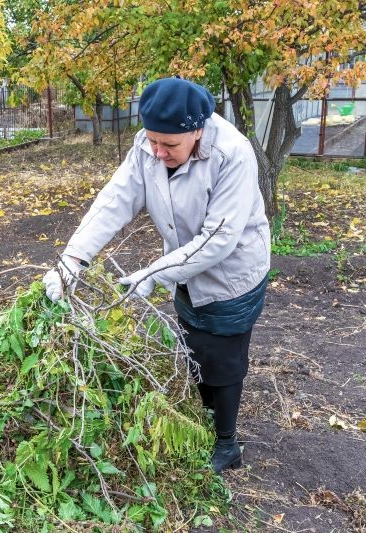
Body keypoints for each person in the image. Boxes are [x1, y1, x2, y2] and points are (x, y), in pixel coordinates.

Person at [42, 77, 270, 473]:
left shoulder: (232, 153)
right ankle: (207, 418)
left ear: (197, 131)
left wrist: (155, 272)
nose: (158, 152)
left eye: (169, 145)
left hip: (232, 272)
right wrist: (73, 260)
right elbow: (116, 199)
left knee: (223, 356)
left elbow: (219, 238)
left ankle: (227, 443)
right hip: (184, 266)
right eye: (153, 141)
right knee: (195, 345)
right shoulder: (149, 146)